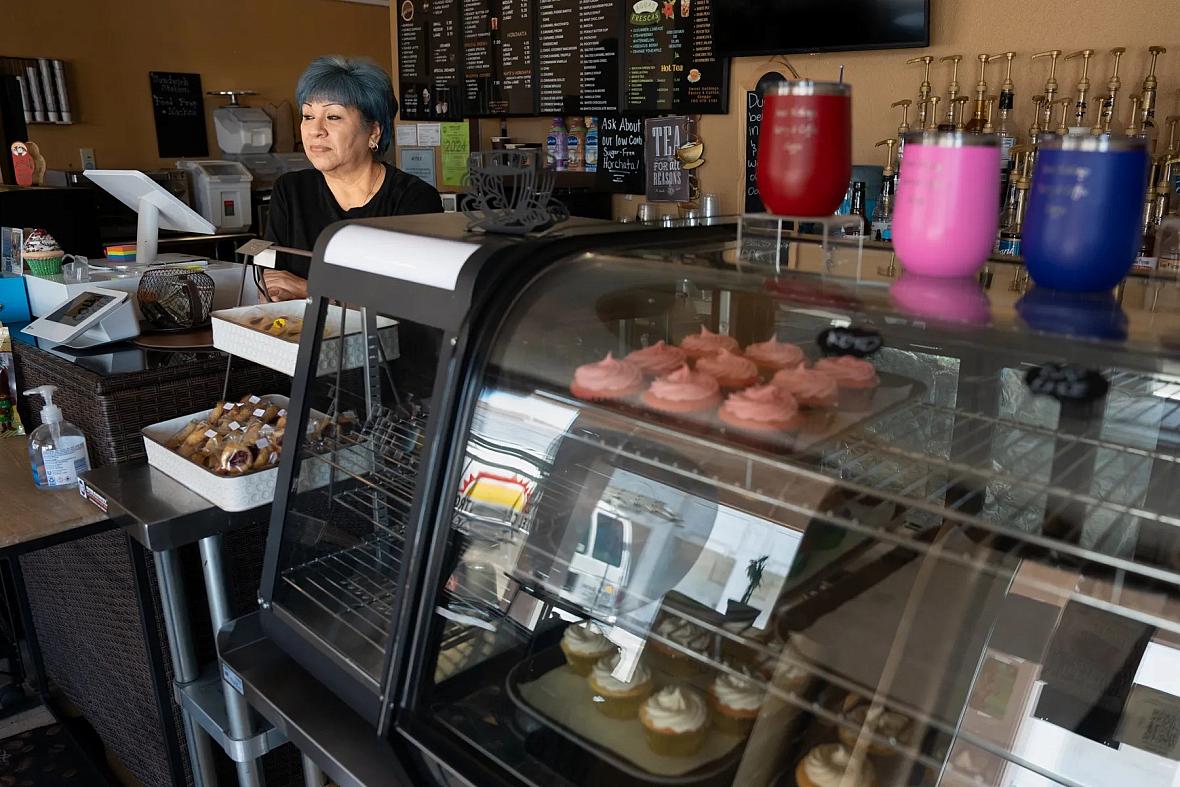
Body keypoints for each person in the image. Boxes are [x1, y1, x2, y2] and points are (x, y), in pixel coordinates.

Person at [263, 56, 442, 301]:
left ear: (373, 132)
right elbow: (271, 280)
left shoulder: (413, 199)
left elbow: (412, 300)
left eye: (333, 117)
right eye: (308, 116)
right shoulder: (290, 190)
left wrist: (308, 290)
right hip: (297, 334)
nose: (316, 130)